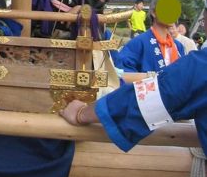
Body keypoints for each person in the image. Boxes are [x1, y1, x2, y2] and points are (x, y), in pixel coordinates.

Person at [112, 0, 186, 177]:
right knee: (156, 162)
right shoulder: (140, 43)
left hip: (174, 111)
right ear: (154, 12)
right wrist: (149, 76)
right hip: (149, 107)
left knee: (163, 165)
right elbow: (120, 72)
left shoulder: (180, 46)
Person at [59, 45, 207, 159]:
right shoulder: (141, 41)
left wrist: (82, 113)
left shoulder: (193, 57)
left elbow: (158, 95)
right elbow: (125, 65)